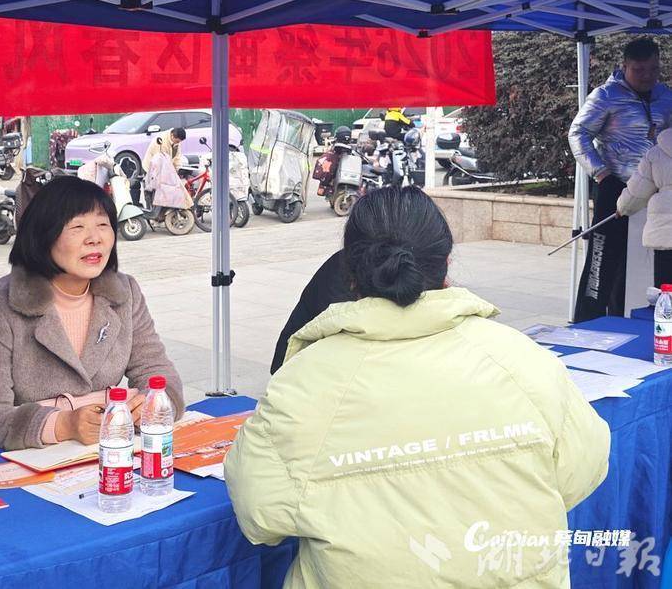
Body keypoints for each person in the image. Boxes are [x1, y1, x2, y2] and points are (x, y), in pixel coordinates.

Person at [225, 186, 610, 588]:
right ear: (446, 264)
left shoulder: (302, 383)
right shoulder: (522, 359)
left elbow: (260, 515)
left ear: (349, 273)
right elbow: (582, 471)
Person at [0, 175, 184, 453]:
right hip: (20, 460)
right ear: (43, 236)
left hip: (103, 453)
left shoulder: (124, 293)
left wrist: (152, 403)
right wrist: (62, 424)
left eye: (103, 225)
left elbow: (157, 371)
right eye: (77, 227)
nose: (95, 239)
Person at [570, 37, 672, 321]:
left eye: (653, 69)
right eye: (639, 70)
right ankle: (587, 321)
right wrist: (600, 173)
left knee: (648, 260)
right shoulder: (606, 95)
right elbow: (578, 134)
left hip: (654, 193)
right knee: (603, 260)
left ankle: (633, 318)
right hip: (614, 186)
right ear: (624, 66)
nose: (647, 76)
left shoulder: (666, 96)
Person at [617, 127, 672, 287]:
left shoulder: (656, 153)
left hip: (666, 234)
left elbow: (637, 191)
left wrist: (622, 208)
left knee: (666, 291)